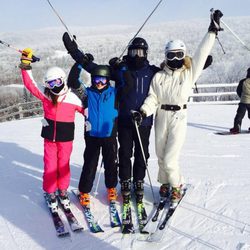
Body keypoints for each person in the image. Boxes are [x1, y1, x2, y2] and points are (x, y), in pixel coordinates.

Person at [132, 10, 223, 208]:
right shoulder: (159, 77)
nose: (175, 59)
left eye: (179, 55)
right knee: (161, 154)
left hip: (179, 116)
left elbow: (201, 54)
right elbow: (153, 98)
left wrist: (212, 32)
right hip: (161, 116)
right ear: (166, 56)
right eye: (171, 55)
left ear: (184, 56)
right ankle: (165, 183)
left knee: (171, 158)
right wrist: (144, 111)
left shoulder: (188, 73)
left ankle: (176, 185)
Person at [19, 48, 84, 212]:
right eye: (50, 84)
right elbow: (30, 84)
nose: (53, 87)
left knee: (63, 166)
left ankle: (62, 191)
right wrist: (26, 64)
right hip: (50, 139)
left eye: (56, 82)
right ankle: (51, 193)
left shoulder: (72, 98)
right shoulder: (46, 96)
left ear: (62, 80)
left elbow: (88, 111)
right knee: (50, 167)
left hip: (66, 139)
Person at [65, 53, 133, 207]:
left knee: (111, 164)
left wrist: (121, 67)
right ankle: (84, 191)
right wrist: (80, 63)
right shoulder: (87, 94)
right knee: (89, 164)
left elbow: (129, 84)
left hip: (109, 135)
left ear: (108, 80)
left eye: (103, 80)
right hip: (92, 136)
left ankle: (111, 189)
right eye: (96, 79)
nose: (100, 83)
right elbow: (72, 81)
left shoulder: (115, 93)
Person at [229, 68, 250, 134]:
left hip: (244, 101)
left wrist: (242, 97)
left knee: (239, 116)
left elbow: (238, 91)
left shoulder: (243, 81)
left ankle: (237, 128)